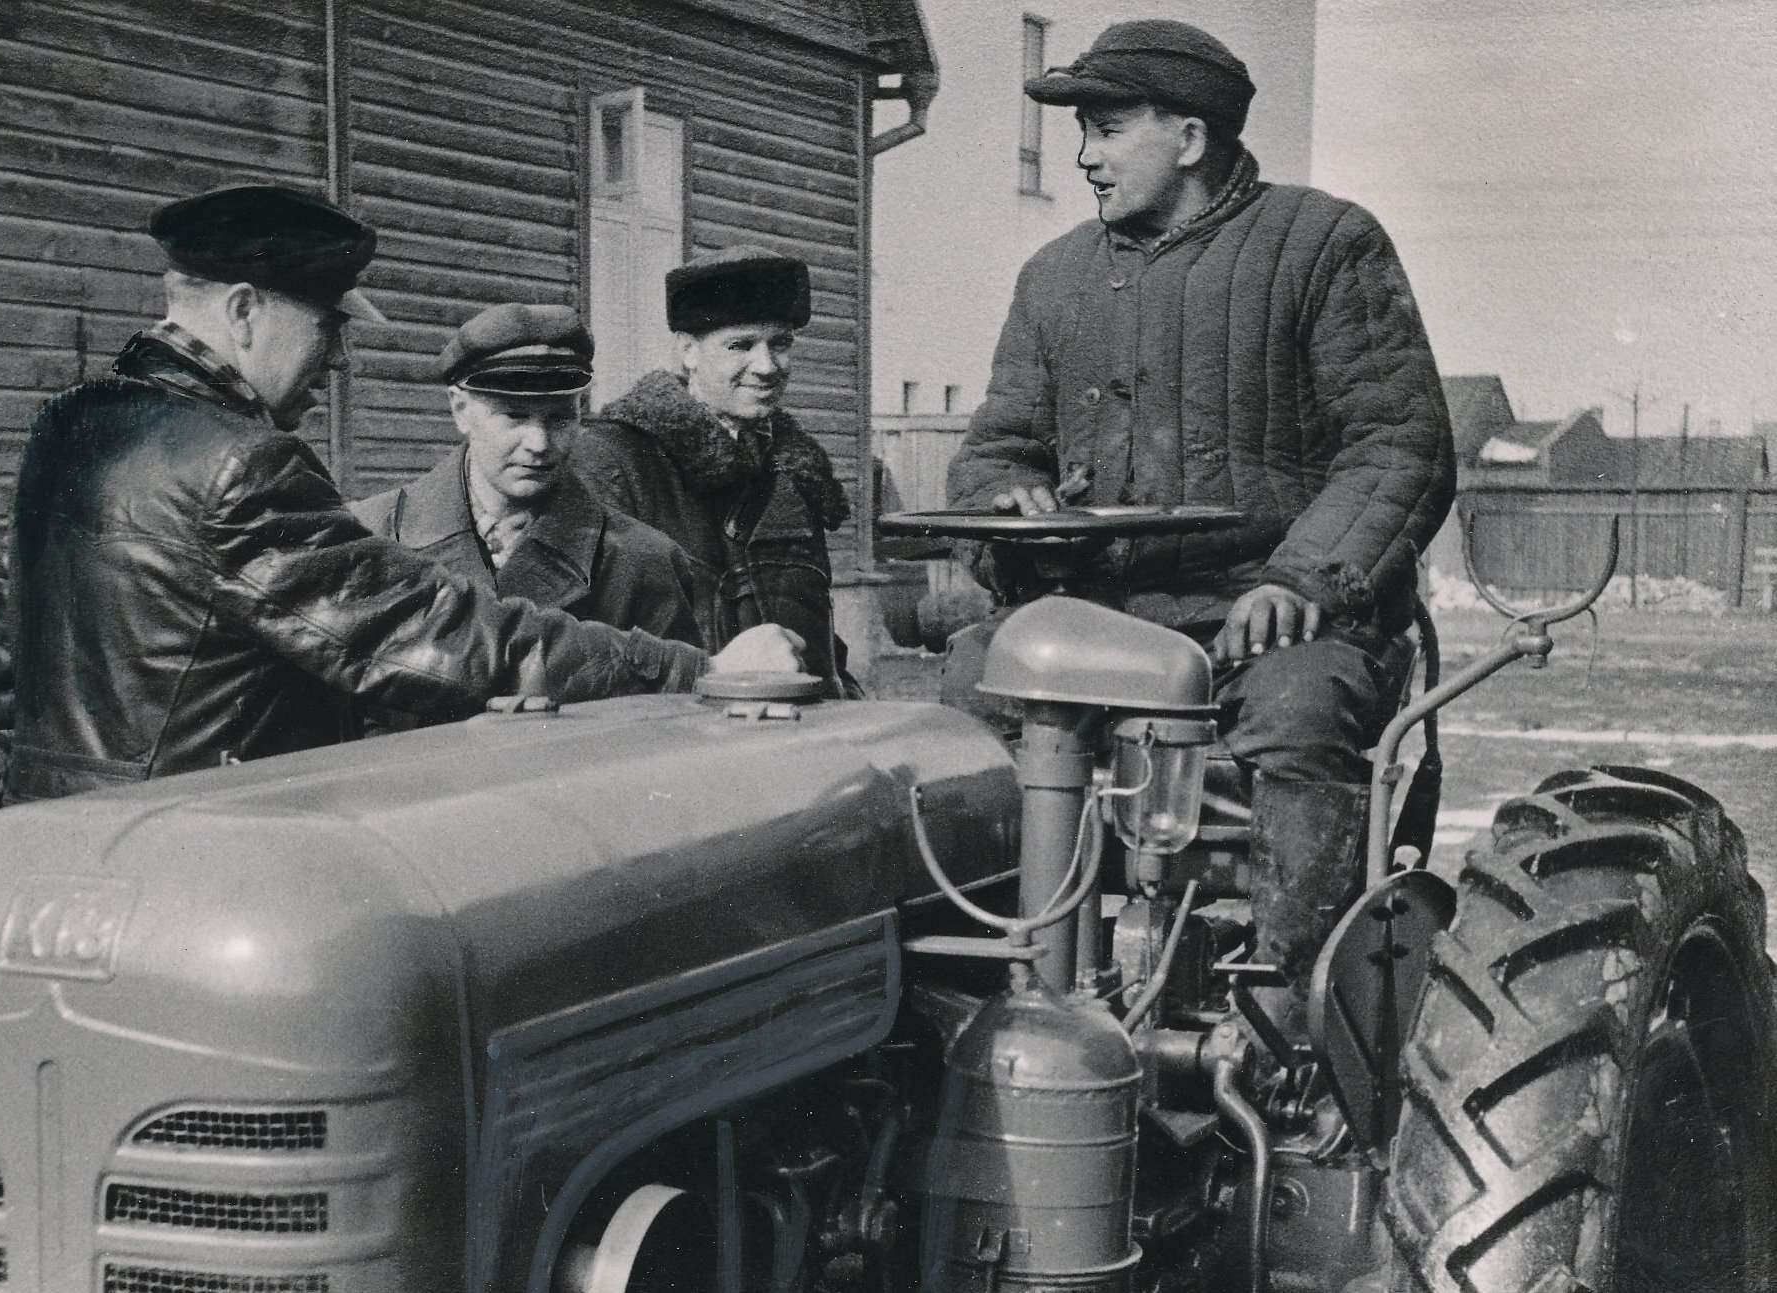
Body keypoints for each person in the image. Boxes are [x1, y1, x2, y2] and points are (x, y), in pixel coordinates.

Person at [946, 20, 1456, 1035]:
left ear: (1189, 136)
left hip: (1272, 620)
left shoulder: (1324, 246)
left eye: (1106, 128)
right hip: (1100, 622)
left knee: (1299, 712)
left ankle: (1292, 1028)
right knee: (964, 689)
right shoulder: (1055, 279)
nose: (1083, 154)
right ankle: (975, 990)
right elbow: (995, 449)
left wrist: (1303, 582)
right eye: (1080, 131)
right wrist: (1006, 502)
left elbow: (1401, 446)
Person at [0, 185, 798, 802]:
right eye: (327, 328)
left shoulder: (68, 428)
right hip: (203, 862)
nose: (336, 361)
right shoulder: (241, 464)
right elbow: (434, 632)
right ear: (242, 311)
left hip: (64, 841)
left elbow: (12, 684)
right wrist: (701, 668)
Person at [571, 246, 859, 695]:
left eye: (780, 344)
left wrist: (846, 692)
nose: (766, 367)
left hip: (803, 732)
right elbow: (586, 642)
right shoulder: (616, 462)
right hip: (682, 736)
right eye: (740, 345)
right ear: (688, 352)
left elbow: (810, 626)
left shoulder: (795, 470)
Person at [352, 303, 703, 649]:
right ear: (461, 411)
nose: (539, 443)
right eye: (514, 416)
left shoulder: (643, 561)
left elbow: (670, 702)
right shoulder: (369, 535)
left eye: (559, 418)